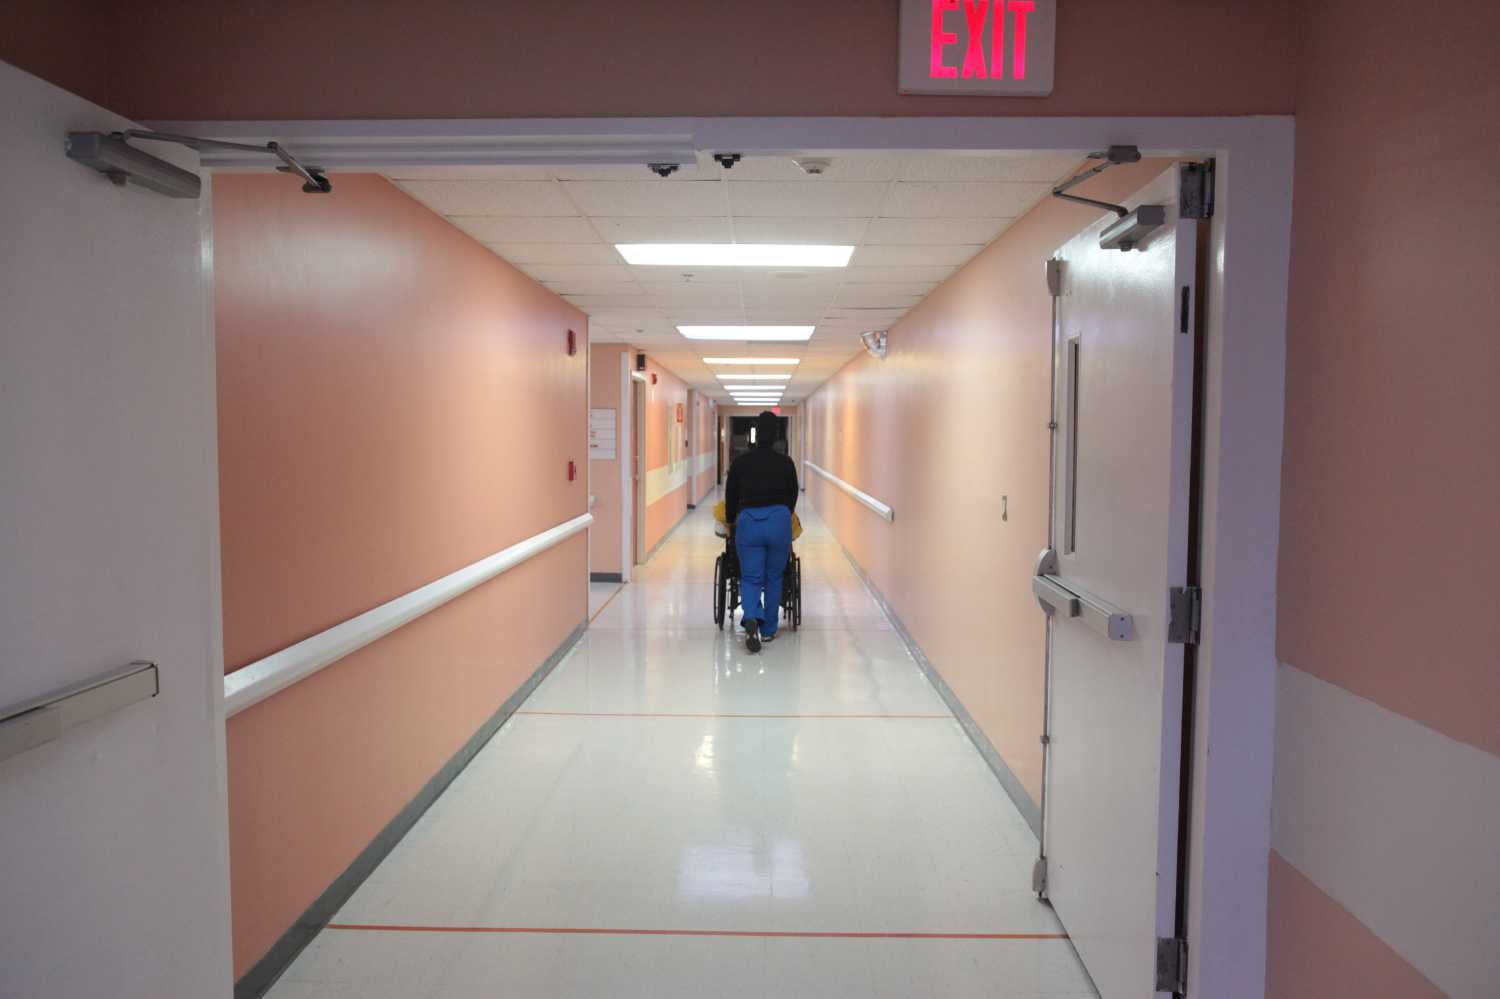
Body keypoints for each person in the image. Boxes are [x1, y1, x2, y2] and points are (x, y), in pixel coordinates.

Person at [724, 410, 799, 652]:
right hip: (778, 521)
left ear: (755, 434)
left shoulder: (740, 463)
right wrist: (782, 513)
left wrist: (730, 519)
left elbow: (731, 495)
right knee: (774, 576)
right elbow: (793, 495)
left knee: (751, 576)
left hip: (749, 522)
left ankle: (752, 617)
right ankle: (768, 631)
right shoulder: (786, 463)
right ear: (776, 434)